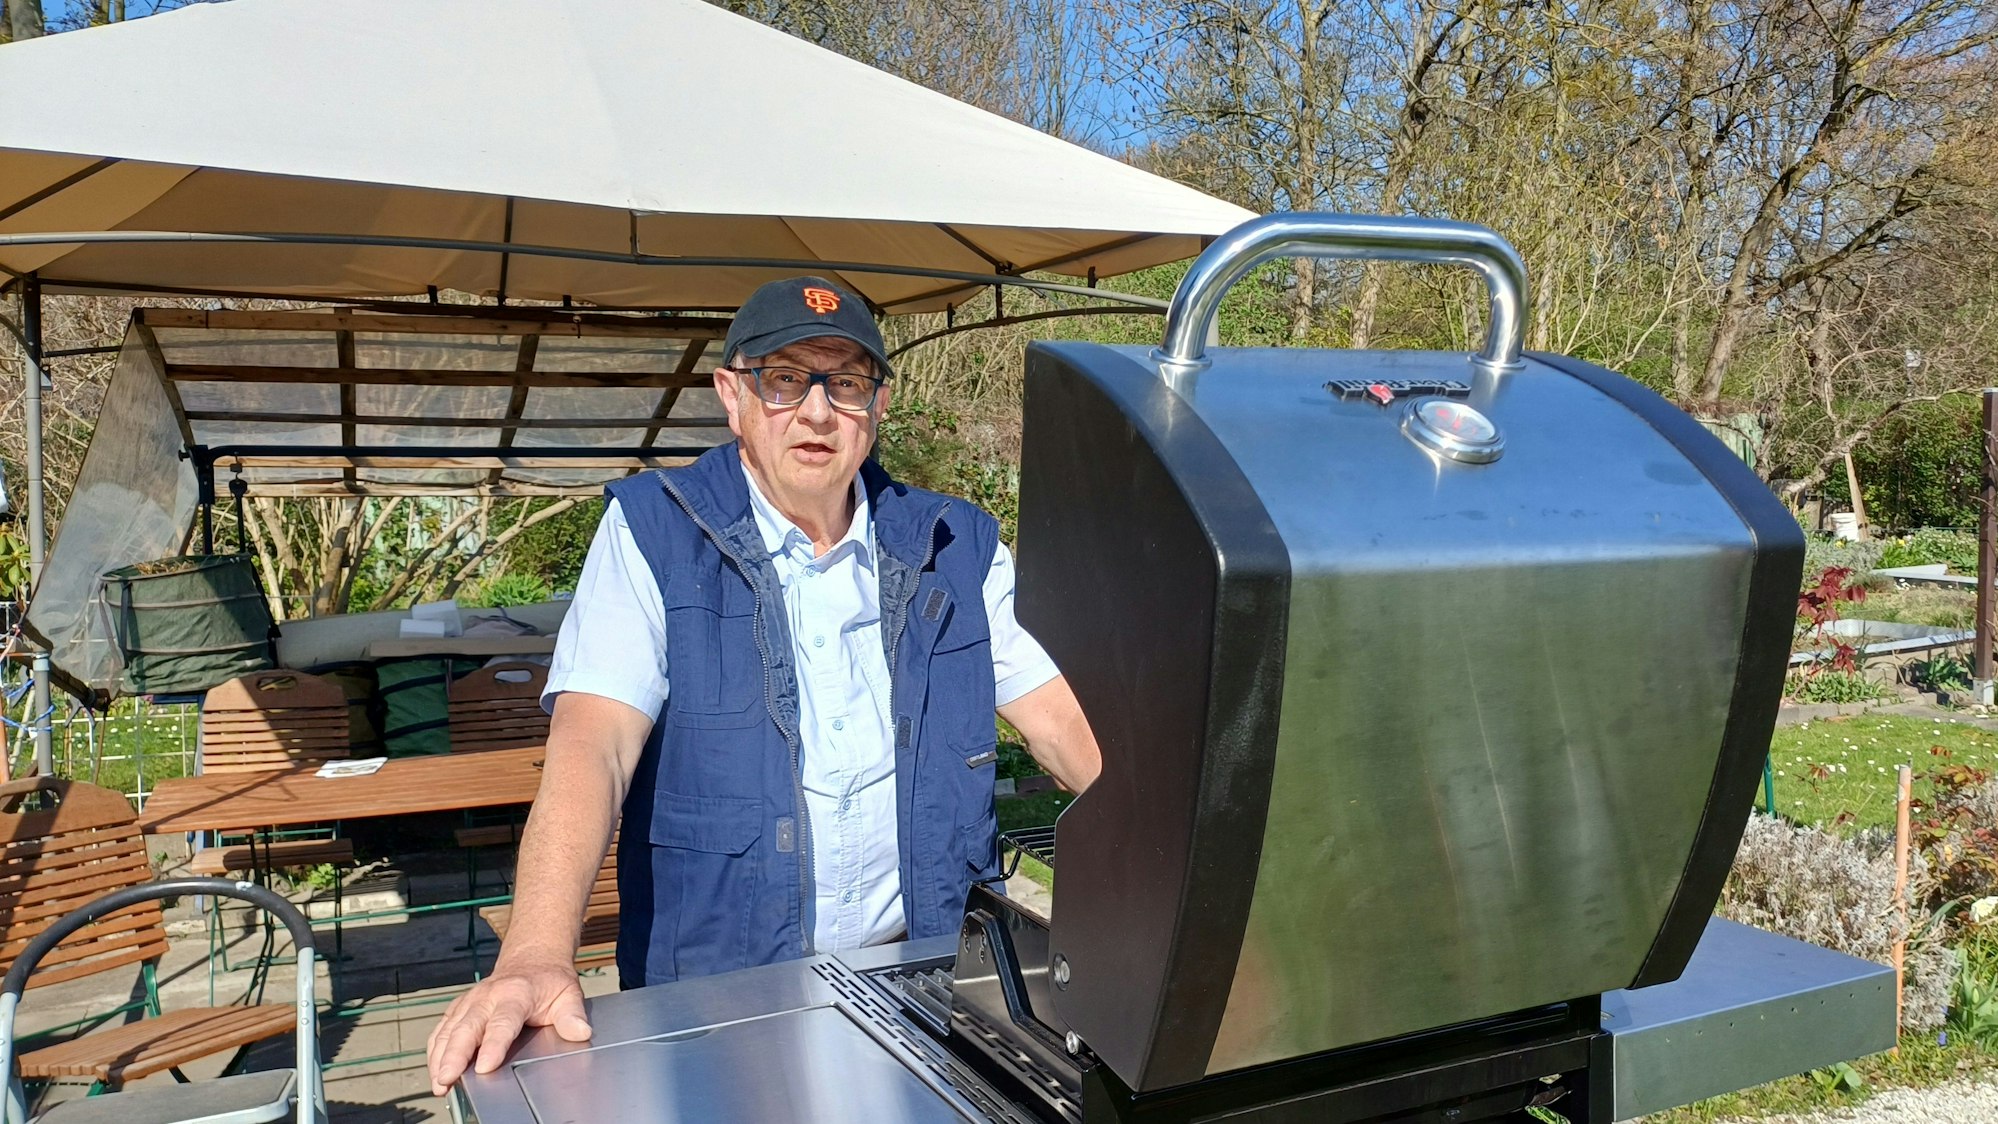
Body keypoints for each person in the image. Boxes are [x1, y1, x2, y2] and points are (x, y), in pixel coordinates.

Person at [426, 276, 1101, 1093]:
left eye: (847, 382)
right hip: (721, 1005)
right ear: (732, 395)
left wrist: (1204, 862)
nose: (818, 412)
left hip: (930, 986)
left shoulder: (953, 542)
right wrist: (535, 953)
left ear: (877, 405)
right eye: (786, 379)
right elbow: (592, 744)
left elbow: (1062, 723)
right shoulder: (655, 531)